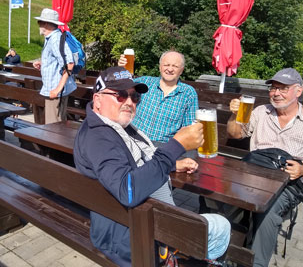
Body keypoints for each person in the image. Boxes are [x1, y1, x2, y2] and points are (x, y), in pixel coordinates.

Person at [74, 66, 231, 266]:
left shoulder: (107, 127)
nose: (129, 102)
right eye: (121, 95)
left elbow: (133, 163)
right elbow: (127, 190)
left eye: (134, 97)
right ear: (97, 100)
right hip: (133, 235)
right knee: (222, 226)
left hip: (132, 222)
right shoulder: (101, 139)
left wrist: (171, 164)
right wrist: (176, 146)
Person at [227, 68, 303, 267]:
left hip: (288, 182)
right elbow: (235, 134)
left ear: (298, 92)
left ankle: (257, 263)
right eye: (273, 88)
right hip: (252, 175)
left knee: (269, 210)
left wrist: (302, 170)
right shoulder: (261, 111)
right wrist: (234, 115)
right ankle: (221, 251)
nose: (276, 93)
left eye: (283, 89)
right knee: (218, 196)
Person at [119, 51, 198, 144]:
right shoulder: (145, 82)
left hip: (163, 147)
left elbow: (189, 130)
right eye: (166, 65)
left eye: (175, 66)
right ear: (160, 67)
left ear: (181, 70)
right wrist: (120, 71)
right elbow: (120, 87)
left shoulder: (188, 93)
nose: (170, 69)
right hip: (133, 139)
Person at [32, 8, 76, 123]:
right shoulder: (51, 38)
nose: (38, 25)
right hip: (52, 89)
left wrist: (57, 89)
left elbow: (69, 64)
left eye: (39, 22)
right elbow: (58, 60)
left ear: (45, 24)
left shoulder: (55, 39)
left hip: (55, 92)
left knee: (54, 128)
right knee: (55, 127)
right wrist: (43, 63)